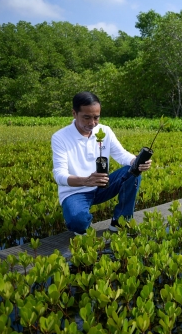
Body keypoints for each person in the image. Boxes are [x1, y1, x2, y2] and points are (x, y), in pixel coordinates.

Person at [51, 92, 152, 235]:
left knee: (133, 171)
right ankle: (83, 220)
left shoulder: (104, 131)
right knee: (78, 223)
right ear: (74, 113)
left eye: (96, 117)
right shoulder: (60, 137)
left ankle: (119, 222)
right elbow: (59, 175)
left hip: (102, 185)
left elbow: (121, 154)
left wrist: (137, 162)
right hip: (75, 191)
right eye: (86, 117)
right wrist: (86, 180)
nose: (92, 123)